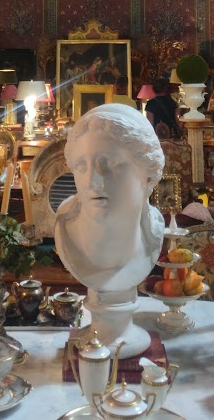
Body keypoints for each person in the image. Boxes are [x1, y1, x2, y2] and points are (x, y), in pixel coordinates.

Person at [54, 104, 164, 293]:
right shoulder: (65, 231)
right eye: (81, 165)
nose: (92, 181)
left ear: (148, 176)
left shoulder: (153, 233)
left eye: (110, 163)